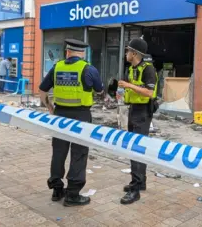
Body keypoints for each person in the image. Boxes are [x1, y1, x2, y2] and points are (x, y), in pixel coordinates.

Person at [39, 39, 103, 207]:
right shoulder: (89, 69)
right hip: (81, 116)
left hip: (60, 115)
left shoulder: (57, 67)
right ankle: (72, 194)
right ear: (83, 53)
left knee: (58, 152)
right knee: (79, 153)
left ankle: (57, 189)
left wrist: (50, 107)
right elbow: (100, 90)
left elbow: (42, 89)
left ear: (67, 52)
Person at [118, 38, 158, 205]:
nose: (126, 54)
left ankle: (135, 189)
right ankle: (140, 182)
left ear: (134, 53)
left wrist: (129, 86)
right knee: (134, 147)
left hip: (143, 112)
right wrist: (121, 91)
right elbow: (128, 87)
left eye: (128, 51)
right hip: (133, 109)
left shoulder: (148, 69)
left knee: (136, 148)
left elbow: (149, 93)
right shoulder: (132, 69)